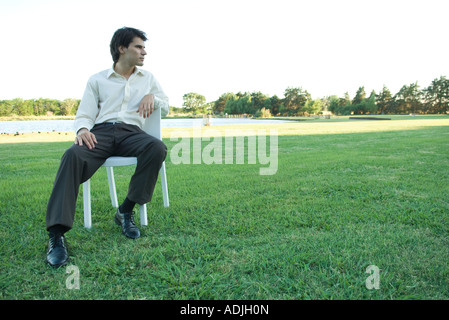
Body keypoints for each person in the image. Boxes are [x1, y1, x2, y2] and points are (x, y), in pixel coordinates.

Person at [45, 27, 169, 268]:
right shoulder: (97, 80)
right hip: (101, 132)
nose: (145, 52)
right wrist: (82, 130)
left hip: (132, 133)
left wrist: (153, 98)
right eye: (139, 46)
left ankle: (125, 210)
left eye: (144, 47)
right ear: (122, 49)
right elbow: (85, 114)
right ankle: (57, 235)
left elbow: (166, 107)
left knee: (156, 148)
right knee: (72, 156)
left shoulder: (148, 79)